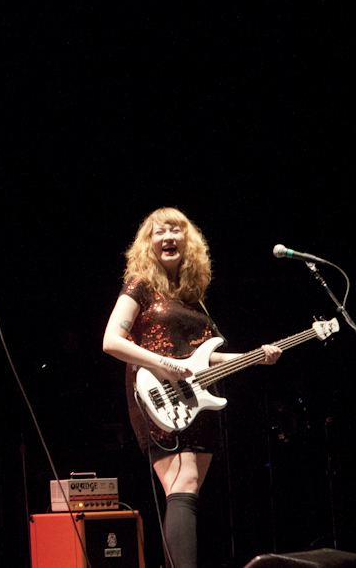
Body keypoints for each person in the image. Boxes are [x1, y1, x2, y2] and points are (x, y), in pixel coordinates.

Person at [102, 207, 282, 568]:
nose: (168, 237)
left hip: (196, 402)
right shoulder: (140, 284)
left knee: (188, 489)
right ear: (148, 242)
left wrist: (252, 357)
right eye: (159, 231)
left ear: (189, 241)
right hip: (156, 395)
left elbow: (203, 359)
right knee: (183, 485)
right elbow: (111, 341)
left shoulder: (193, 298)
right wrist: (167, 365)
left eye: (175, 230)